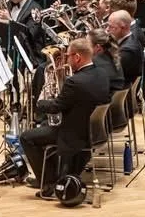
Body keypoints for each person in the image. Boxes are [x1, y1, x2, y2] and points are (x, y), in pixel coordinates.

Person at [20, 37, 110, 199]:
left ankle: (48, 182)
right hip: (95, 131)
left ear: (77, 57)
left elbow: (55, 107)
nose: (66, 59)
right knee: (45, 126)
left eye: (68, 56)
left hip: (74, 135)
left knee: (26, 137)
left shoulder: (74, 82)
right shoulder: (102, 73)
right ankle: (54, 174)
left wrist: (40, 102)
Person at [106, 10, 138, 99]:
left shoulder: (127, 51)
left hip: (117, 93)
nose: (107, 29)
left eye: (111, 27)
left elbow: (110, 74)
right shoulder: (128, 39)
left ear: (122, 28)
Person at [88, 28, 122, 94]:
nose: (85, 47)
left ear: (98, 47)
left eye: (87, 44)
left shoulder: (96, 63)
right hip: (112, 95)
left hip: (105, 97)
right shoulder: (112, 56)